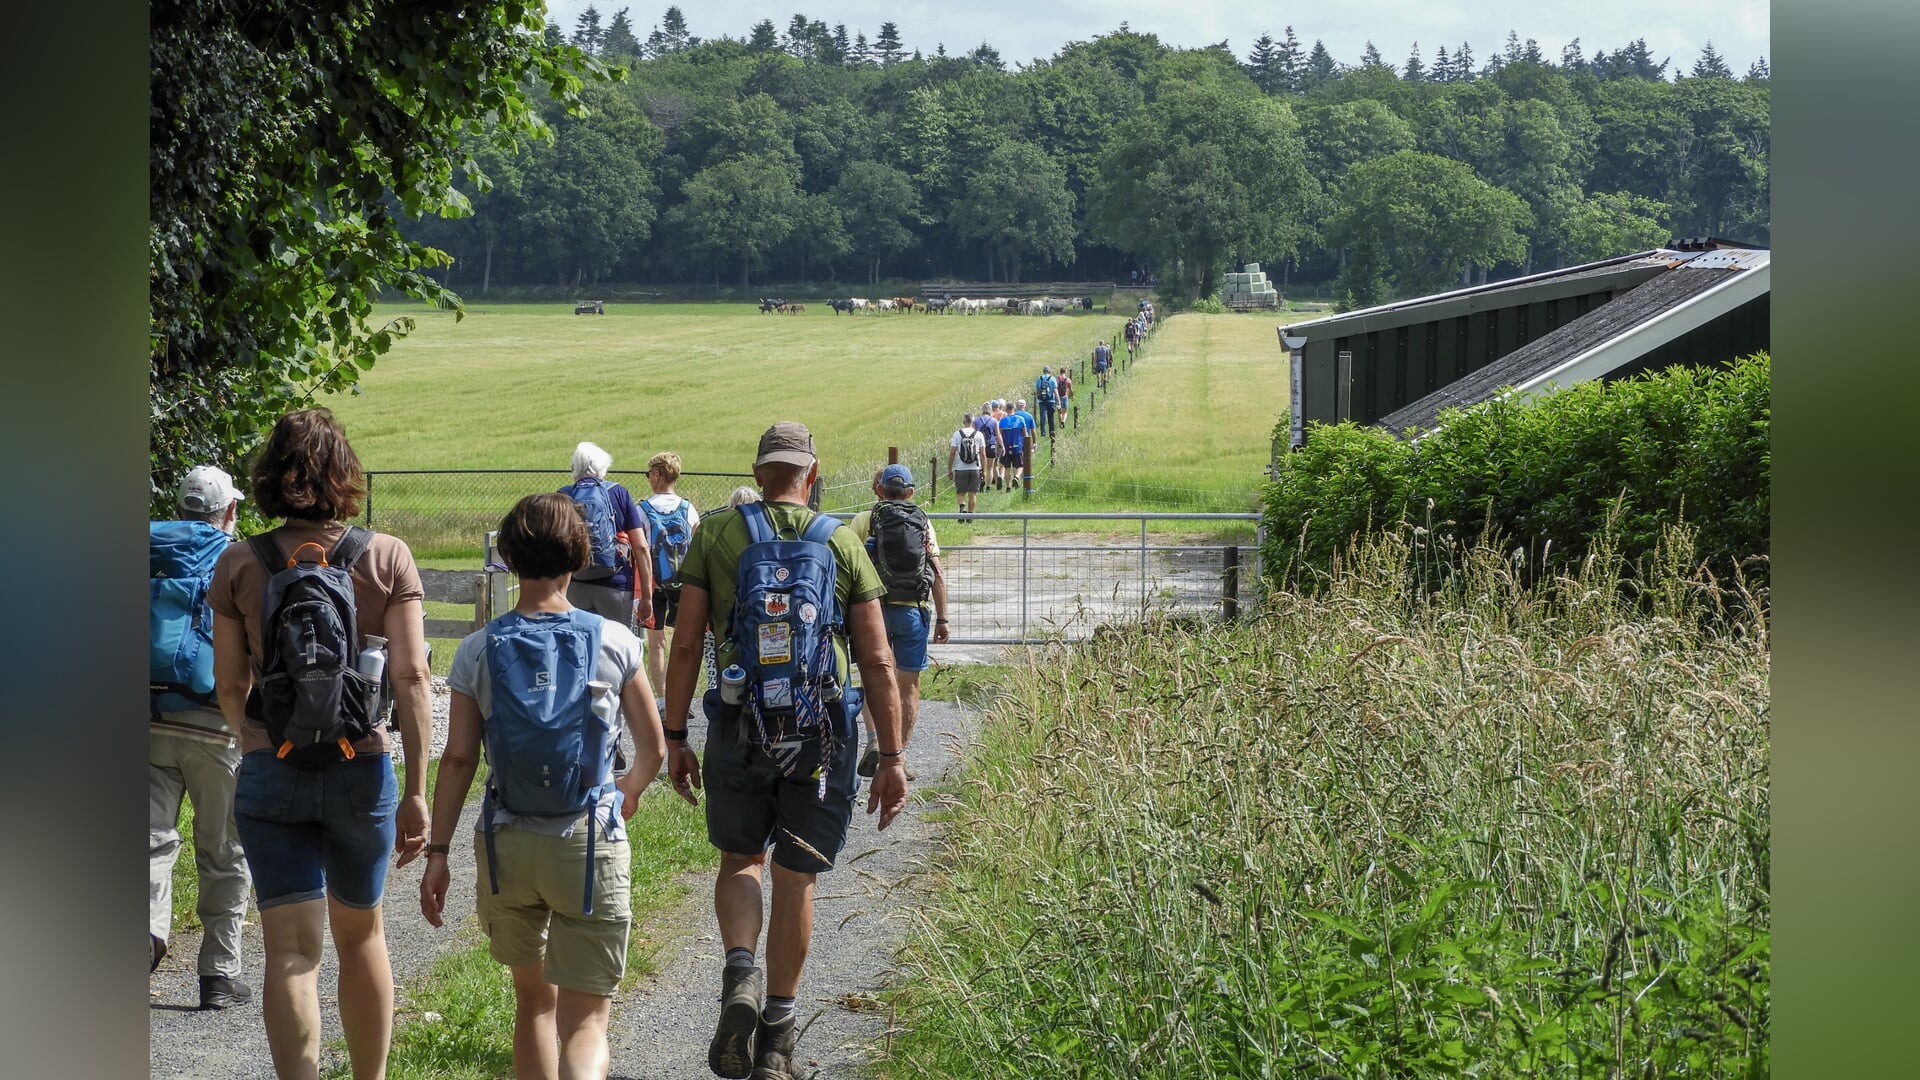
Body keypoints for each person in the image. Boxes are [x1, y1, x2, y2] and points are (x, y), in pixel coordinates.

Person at [661, 421, 908, 1080]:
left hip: (740, 725)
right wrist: (891, 756)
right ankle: (777, 1039)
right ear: (811, 472)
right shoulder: (842, 540)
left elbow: (684, 645)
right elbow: (878, 659)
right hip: (821, 734)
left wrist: (675, 737)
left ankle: (740, 971)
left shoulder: (716, 533)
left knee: (742, 861)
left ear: (758, 472)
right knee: (796, 878)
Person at [210, 408, 434, 1079]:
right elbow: (412, 676)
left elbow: (230, 683)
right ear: (345, 473)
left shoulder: (239, 562)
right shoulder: (386, 556)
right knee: (361, 936)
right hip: (361, 767)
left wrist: (254, 740)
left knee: (289, 952)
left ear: (270, 476)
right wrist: (416, 791)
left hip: (271, 767)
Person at [420, 493, 667, 1080]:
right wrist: (626, 791)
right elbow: (654, 750)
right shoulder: (614, 641)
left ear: (508, 558)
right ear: (580, 556)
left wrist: (438, 852)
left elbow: (458, 759)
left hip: (507, 844)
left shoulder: (477, 650)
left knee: (533, 1004)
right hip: (587, 839)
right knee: (586, 1024)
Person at [150, 464, 253, 1010]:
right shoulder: (238, 559)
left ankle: (146, 932)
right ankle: (219, 974)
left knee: (149, 839)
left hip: (147, 715)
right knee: (223, 849)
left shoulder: (147, 550)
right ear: (229, 510)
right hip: (216, 722)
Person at [850, 465, 950, 782]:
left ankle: (874, 740)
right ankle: (900, 755)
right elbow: (937, 572)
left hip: (873, 611)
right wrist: (943, 618)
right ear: (910, 492)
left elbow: (850, 568)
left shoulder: (864, 520)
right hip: (913, 611)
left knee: (873, 676)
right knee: (909, 685)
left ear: (879, 489)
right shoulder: (922, 521)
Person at [557, 442, 652, 634]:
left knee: (578, 646)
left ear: (574, 467)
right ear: (603, 466)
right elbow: (641, 547)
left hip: (574, 585)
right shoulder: (618, 492)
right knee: (617, 644)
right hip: (616, 585)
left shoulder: (563, 496)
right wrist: (647, 597)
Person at [638, 451, 702, 704]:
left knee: (657, 644)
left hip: (653, 584)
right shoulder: (688, 508)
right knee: (683, 643)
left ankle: (663, 700)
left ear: (657, 475)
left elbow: (639, 548)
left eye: (648, 474)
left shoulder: (643, 509)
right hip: (684, 584)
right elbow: (697, 546)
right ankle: (682, 698)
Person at [948, 413, 987, 523]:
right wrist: (983, 469)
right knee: (972, 493)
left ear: (963, 422)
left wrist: (949, 468)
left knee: (960, 492)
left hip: (961, 468)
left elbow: (952, 452)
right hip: (975, 468)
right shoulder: (979, 434)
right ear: (973, 422)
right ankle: (970, 517)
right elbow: (983, 454)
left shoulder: (957, 434)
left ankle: (962, 507)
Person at [1033, 366, 1059, 439]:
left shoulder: (1039, 378)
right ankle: (1052, 431)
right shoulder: (1052, 379)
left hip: (1041, 400)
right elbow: (1055, 391)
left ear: (1043, 371)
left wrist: (1037, 399)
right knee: (1051, 416)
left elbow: (1037, 390)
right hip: (1051, 400)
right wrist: (1058, 400)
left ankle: (1043, 432)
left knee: (1042, 416)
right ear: (1049, 371)